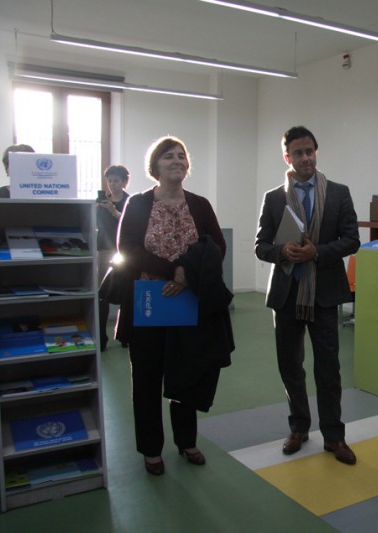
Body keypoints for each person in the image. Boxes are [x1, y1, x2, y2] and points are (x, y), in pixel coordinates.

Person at [116, 136, 234, 476]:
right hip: (148, 303)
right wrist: (175, 270)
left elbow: (217, 247)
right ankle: (152, 448)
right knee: (147, 378)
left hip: (189, 303)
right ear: (155, 166)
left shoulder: (199, 204)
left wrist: (188, 274)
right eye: (169, 156)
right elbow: (128, 249)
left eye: (182, 156)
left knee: (187, 373)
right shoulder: (138, 204)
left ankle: (186, 440)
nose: (177, 161)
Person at [255, 126, 360, 465]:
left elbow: (352, 240)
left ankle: (334, 436)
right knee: (291, 365)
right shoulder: (274, 198)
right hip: (287, 293)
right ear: (287, 157)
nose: (305, 158)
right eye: (298, 153)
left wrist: (317, 252)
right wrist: (281, 250)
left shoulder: (340, 193)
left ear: (316, 152)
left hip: (325, 292)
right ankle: (298, 427)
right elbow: (261, 246)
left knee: (329, 367)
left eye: (309, 151)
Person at [96, 164, 130, 351]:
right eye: (109, 181)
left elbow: (130, 224)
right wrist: (94, 211)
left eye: (116, 180)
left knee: (125, 292)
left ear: (124, 182)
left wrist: (113, 211)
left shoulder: (130, 201)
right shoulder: (102, 201)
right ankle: (102, 338)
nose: (112, 184)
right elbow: (96, 224)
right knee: (103, 294)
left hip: (123, 251)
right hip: (103, 250)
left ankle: (125, 335)